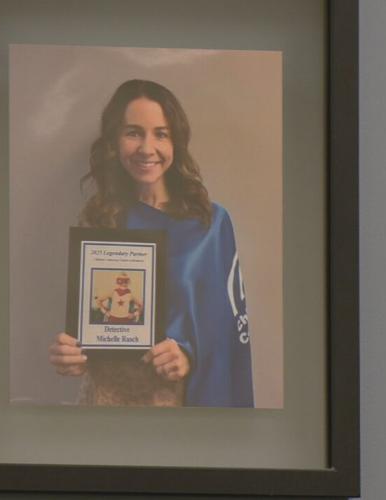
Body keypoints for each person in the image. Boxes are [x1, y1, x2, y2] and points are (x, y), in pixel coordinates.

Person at [48, 79, 253, 407]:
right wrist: (71, 353)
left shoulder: (211, 223)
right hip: (108, 406)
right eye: (133, 132)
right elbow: (96, 325)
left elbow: (226, 330)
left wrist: (188, 355)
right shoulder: (99, 219)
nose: (147, 148)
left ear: (177, 142)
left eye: (161, 133)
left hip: (180, 405)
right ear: (115, 140)